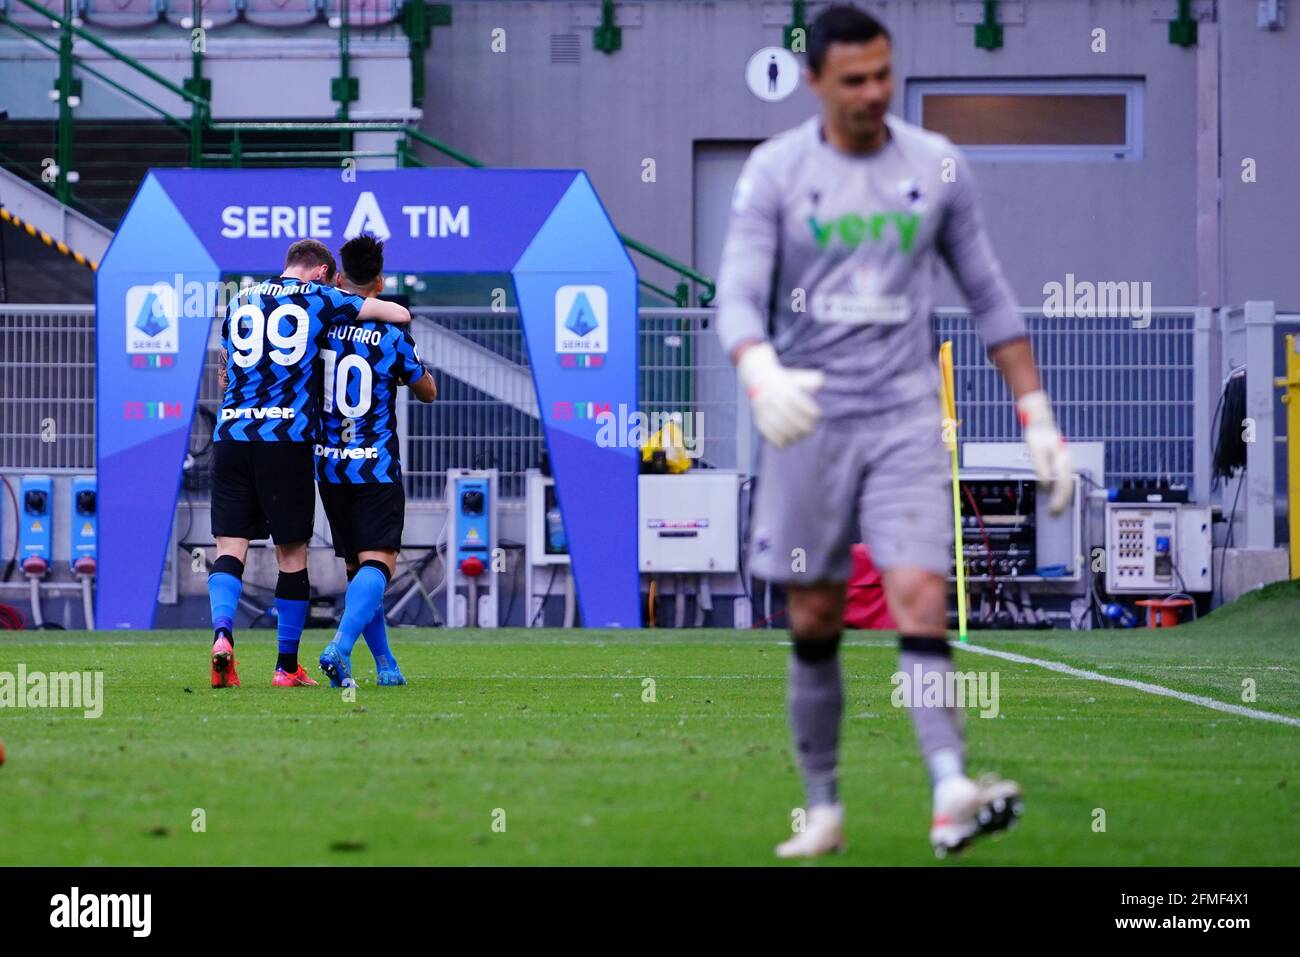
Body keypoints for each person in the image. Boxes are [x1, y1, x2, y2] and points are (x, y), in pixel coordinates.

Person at [714, 4, 1073, 858]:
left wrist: (1037, 416)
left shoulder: (938, 166)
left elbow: (989, 295)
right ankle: (825, 806)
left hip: (907, 414)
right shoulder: (775, 172)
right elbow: (735, 294)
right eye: (854, 81)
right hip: (808, 418)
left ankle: (951, 789)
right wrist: (760, 372)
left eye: (885, 74)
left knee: (917, 593)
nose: (875, 93)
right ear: (815, 83)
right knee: (815, 613)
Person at [207, 239, 411, 689]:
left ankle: (223, 637)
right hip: (285, 439)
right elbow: (397, 316)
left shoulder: (241, 298)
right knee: (291, 554)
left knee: (229, 547)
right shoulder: (319, 296)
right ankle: (285, 668)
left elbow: (225, 369)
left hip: (231, 434)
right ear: (321, 271)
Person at [314, 234, 437, 689]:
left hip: (329, 465)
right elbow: (426, 392)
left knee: (359, 571)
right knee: (379, 564)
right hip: (376, 464)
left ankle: (386, 666)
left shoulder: (320, 325)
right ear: (380, 282)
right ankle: (339, 648)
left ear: (340, 278)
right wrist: (423, 376)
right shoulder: (391, 333)